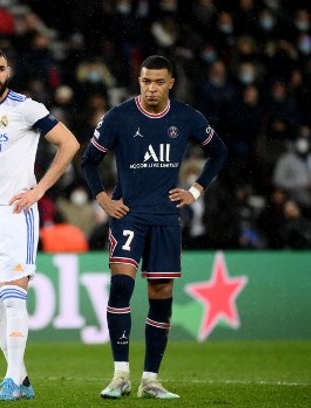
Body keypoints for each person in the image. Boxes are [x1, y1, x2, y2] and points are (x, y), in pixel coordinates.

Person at [81, 55, 227, 400]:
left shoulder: (186, 117)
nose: (151, 88)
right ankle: (120, 375)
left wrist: (195, 191)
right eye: (146, 81)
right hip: (128, 215)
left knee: (161, 296)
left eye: (159, 82)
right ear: (140, 82)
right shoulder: (119, 117)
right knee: (121, 286)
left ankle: (150, 380)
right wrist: (103, 200)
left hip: (165, 218)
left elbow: (218, 152)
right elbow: (89, 161)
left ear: (170, 84)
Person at [0, 47, 79, 401]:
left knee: (13, 298)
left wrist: (40, 189)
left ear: (8, 70)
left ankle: (11, 381)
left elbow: (69, 143)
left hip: (14, 212)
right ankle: (21, 379)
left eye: (0, 68)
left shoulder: (25, 108)